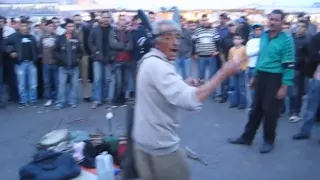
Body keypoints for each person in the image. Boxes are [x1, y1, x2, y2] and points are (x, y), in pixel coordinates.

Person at [132, 20, 243, 180]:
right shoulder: (159, 66)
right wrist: (223, 73)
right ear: (157, 41)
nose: (177, 42)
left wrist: (182, 84)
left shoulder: (149, 60)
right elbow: (191, 99)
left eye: (178, 37)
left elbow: (157, 90)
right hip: (159, 145)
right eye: (170, 37)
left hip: (143, 142)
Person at [228, 9, 295, 154]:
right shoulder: (264, 36)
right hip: (261, 76)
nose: (272, 22)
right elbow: (261, 58)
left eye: (276, 19)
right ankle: (247, 138)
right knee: (255, 109)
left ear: (282, 23)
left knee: (270, 111)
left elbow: (289, 65)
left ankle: (268, 140)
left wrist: (284, 87)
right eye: (271, 19)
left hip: (275, 78)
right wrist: (255, 76)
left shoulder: (287, 40)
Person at [292, 32, 320, 141]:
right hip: (318, 77)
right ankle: (305, 131)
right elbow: (313, 55)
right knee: (311, 106)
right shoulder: (317, 37)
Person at [5, 19, 38, 108]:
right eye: (23, 26)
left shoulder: (31, 37)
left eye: (27, 26)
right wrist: (11, 51)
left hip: (31, 63)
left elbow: (36, 49)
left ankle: (32, 100)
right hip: (20, 64)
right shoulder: (13, 37)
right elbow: (5, 44)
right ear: (19, 27)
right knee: (21, 84)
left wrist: (36, 58)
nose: (25, 28)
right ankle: (23, 101)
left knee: (33, 84)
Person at [54, 19, 82, 109]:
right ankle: (60, 102)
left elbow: (80, 51)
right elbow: (55, 51)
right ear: (65, 27)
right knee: (62, 85)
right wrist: (61, 60)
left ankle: (72, 101)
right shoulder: (60, 38)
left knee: (74, 84)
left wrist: (77, 58)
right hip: (63, 67)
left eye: (72, 26)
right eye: (69, 26)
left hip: (74, 66)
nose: (71, 28)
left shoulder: (76, 38)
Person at [288, 20, 309, 123]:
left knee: (296, 92)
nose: (300, 28)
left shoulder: (306, 41)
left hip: (298, 70)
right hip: (287, 68)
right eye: (298, 26)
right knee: (290, 91)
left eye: (303, 26)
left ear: (305, 29)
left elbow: (308, 57)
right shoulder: (291, 38)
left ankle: (296, 112)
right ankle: (291, 110)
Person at [40, 20, 58, 107]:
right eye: (49, 26)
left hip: (55, 62)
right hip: (45, 62)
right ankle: (49, 98)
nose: (51, 27)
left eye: (52, 26)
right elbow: (39, 49)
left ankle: (57, 97)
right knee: (47, 82)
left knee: (56, 81)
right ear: (46, 27)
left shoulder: (57, 37)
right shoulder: (42, 37)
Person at [228, 33, 248, 109]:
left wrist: (243, 67)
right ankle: (235, 102)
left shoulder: (244, 48)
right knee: (234, 87)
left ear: (242, 40)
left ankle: (243, 103)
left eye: (238, 39)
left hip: (241, 70)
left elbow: (247, 59)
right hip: (233, 70)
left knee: (241, 87)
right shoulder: (231, 49)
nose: (236, 40)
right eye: (235, 39)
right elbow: (230, 59)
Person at [245, 24, 263, 108]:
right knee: (252, 88)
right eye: (256, 30)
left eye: (259, 29)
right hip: (252, 67)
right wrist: (259, 49)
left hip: (262, 68)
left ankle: (260, 105)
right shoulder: (250, 42)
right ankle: (254, 105)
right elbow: (248, 53)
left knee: (262, 88)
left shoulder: (264, 40)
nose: (258, 31)